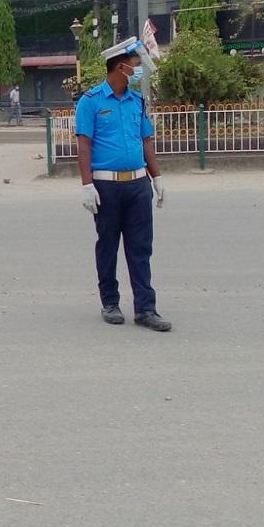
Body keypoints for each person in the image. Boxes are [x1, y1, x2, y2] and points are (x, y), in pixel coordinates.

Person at [75, 38, 170, 331]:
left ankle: (146, 308)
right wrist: (86, 185)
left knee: (141, 248)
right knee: (108, 246)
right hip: (107, 187)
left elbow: (146, 141)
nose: (139, 69)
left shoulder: (137, 101)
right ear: (121, 67)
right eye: (136, 64)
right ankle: (110, 302)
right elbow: (84, 145)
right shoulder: (90, 102)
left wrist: (158, 178)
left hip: (138, 185)